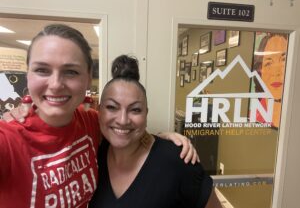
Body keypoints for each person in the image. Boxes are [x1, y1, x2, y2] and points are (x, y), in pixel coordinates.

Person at [0, 24, 199, 208]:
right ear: (28, 75)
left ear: (88, 79)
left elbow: (125, 129)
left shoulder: (91, 123)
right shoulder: (8, 138)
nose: (55, 84)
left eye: (70, 72)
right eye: (42, 70)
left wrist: (164, 140)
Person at [89, 55, 222, 208]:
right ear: (99, 111)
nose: (123, 120)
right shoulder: (92, 155)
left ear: (146, 114)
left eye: (135, 109)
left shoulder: (179, 162)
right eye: (112, 107)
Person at [253, 33, 288, 128]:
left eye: (284, 60)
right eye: (268, 64)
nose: (276, 72)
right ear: (260, 72)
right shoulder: (253, 115)